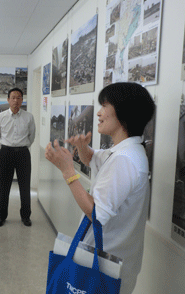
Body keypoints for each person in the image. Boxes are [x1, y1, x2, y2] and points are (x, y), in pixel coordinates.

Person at [45, 82, 155, 294]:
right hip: (109, 260)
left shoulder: (125, 160)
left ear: (124, 113)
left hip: (107, 266)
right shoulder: (125, 151)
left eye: (105, 106)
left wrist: (68, 171)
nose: (99, 113)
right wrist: (81, 148)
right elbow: (94, 158)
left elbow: (95, 212)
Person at [0, 88, 35, 227]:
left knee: (25, 186)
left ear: (22, 100)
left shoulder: (29, 117)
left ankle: (25, 216)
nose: (15, 101)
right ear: (8, 100)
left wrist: (22, 147)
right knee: (3, 187)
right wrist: (7, 148)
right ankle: (0, 216)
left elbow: (31, 137)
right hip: (6, 153)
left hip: (23, 153)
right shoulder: (1, 117)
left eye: (18, 98)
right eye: (13, 97)